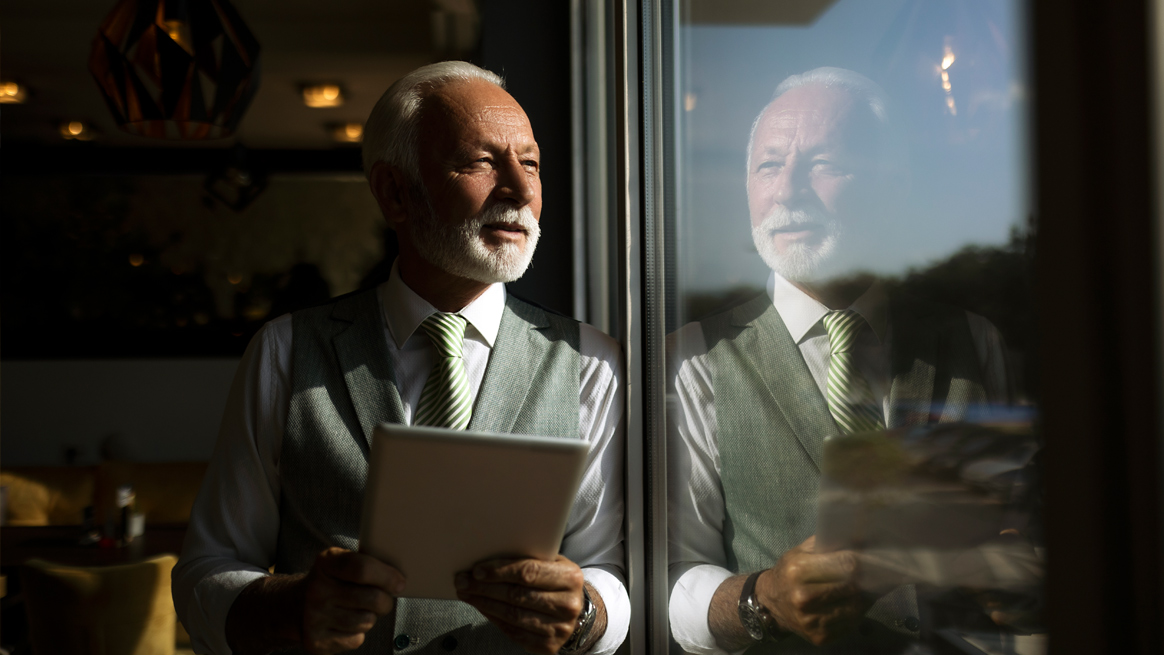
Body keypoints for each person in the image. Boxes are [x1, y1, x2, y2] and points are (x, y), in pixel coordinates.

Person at [173, 61, 629, 655]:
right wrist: (292, 607)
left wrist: (586, 614)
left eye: (532, 163)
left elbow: (611, 573)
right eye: (482, 162)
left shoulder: (591, 362)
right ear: (395, 192)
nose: (520, 189)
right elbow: (206, 570)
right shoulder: (284, 351)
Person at [666, 68, 1012, 653]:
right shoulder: (693, 358)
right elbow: (673, 578)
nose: (788, 189)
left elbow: (1018, 524)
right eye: (769, 166)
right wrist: (762, 599)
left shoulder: (974, 342)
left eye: (825, 164)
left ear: (894, 186)